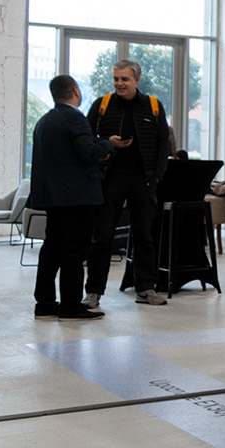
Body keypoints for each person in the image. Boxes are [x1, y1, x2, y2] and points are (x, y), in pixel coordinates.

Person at [29, 75, 125, 321]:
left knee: (51, 249)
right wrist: (108, 144)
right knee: (74, 251)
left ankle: (45, 304)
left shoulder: (44, 121)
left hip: (52, 197)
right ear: (75, 90)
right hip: (77, 197)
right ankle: (70, 305)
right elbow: (88, 152)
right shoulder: (75, 118)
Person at [84, 59, 173, 307]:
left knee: (144, 236)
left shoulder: (153, 106)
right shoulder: (102, 105)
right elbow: (87, 138)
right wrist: (107, 142)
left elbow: (163, 142)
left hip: (143, 180)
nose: (119, 84)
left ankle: (145, 289)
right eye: (116, 79)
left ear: (137, 80)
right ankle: (93, 293)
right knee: (102, 237)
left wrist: (157, 175)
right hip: (109, 180)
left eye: (124, 79)